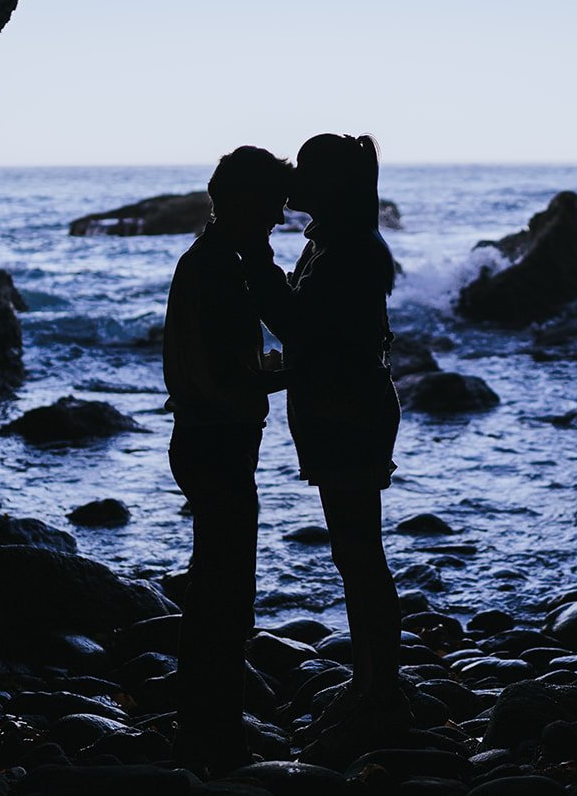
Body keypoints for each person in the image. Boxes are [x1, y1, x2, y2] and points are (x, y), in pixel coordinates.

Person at [236, 133, 407, 748]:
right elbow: (325, 339)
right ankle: (373, 682)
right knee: (355, 552)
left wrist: (254, 256)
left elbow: (300, 324)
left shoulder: (350, 251)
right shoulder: (337, 244)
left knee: (359, 554)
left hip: (349, 414)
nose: (293, 177)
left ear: (331, 184)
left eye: (305, 169)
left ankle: (379, 689)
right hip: (345, 409)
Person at [161, 145, 292, 775]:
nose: (277, 220)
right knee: (226, 590)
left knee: (216, 581)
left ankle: (204, 724)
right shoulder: (217, 268)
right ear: (240, 201)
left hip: (203, 438)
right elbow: (218, 373)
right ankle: (213, 734)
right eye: (269, 208)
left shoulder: (209, 259)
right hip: (215, 440)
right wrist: (284, 376)